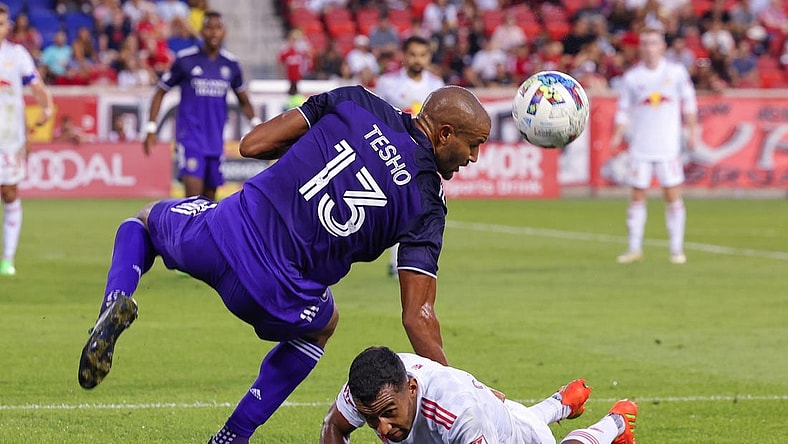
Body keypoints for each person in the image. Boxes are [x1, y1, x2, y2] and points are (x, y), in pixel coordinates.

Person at [77, 84, 491, 443]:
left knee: (144, 222)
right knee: (321, 327)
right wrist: (463, 394)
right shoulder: (427, 202)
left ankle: (117, 299)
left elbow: (253, 145)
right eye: (473, 145)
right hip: (275, 294)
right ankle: (234, 434)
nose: (473, 158)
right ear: (444, 134)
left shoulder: (356, 103)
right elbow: (418, 316)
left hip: (221, 233)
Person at [321, 346, 638, 444]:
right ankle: (561, 403)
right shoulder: (372, 385)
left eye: (389, 413)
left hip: (517, 438)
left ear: (412, 389)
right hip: (494, 410)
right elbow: (333, 427)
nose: (382, 429)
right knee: (514, 414)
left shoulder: (458, 415)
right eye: (370, 419)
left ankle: (616, 422)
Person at [143, 10, 259, 201]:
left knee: (209, 204)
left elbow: (244, 100)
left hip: (215, 141)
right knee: (192, 202)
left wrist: (256, 125)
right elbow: (160, 91)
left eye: (218, 28)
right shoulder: (185, 60)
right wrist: (151, 128)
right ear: (202, 31)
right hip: (190, 138)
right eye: (209, 28)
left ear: (224, 32)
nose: (213, 33)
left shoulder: (230, 64)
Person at [609, 24, 698, 265]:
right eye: (645, 43)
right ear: (640, 47)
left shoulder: (676, 73)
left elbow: (689, 103)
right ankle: (634, 248)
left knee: (672, 195)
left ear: (663, 47)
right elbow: (623, 110)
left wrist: (692, 131)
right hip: (640, 146)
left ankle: (676, 249)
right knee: (637, 195)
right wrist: (617, 135)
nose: (649, 48)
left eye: (653, 43)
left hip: (668, 145)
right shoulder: (632, 77)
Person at [375, 35, 445, 278]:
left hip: (423, 158)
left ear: (429, 56)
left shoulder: (437, 85)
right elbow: (376, 116)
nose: (418, 59)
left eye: (423, 55)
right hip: (391, 154)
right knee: (394, 208)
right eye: (413, 54)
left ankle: (403, 263)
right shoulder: (387, 84)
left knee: (416, 209)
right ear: (404, 56)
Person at [0, 2, 53, 276]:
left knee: (9, 193)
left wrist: (47, 107)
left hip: (8, 139)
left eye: (2, 24)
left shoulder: (16, 54)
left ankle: (7, 258)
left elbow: (35, 86)